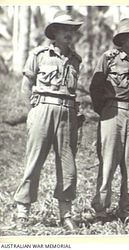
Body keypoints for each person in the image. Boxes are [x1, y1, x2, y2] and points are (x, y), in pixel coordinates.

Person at [14, 11, 83, 230]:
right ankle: (22, 213)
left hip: (67, 113)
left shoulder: (75, 59)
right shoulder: (39, 54)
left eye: (72, 30)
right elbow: (26, 86)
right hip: (43, 110)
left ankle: (66, 214)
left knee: (68, 166)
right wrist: (33, 112)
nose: (69, 34)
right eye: (64, 29)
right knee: (34, 163)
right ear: (54, 32)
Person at [89, 18, 129, 221]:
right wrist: (105, 111)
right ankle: (102, 210)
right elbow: (95, 87)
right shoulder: (109, 58)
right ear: (121, 39)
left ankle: (128, 209)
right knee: (108, 163)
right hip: (112, 112)